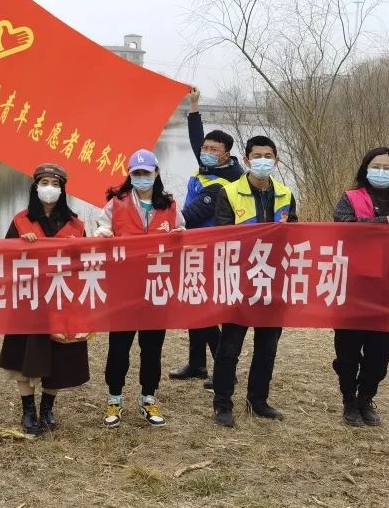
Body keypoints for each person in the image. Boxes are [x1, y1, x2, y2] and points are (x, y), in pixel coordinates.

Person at [211, 136, 298, 428]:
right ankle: (223, 404)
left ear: (276, 160)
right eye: (257, 156)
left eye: (268, 156)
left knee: (268, 346)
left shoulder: (286, 194)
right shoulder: (229, 192)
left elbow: (295, 235)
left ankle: (258, 400)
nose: (263, 160)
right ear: (247, 160)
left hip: (274, 281)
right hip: (241, 280)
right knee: (230, 347)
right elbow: (222, 236)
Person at [332, 148, 389, 426]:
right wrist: (382, 222)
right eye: (376, 166)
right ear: (365, 168)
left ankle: (366, 398)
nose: (381, 172)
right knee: (348, 353)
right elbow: (343, 230)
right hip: (353, 288)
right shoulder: (350, 199)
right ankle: (349, 400)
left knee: (379, 356)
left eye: (387, 167)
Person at [96, 149, 185, 429]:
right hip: (124, 288)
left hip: (157, 287)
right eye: (137, 173)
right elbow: (100, 229)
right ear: (130, 175)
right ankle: (115, 397)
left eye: (147, 173)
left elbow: (182, 233)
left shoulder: (169, 206)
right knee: (119, 346)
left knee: (152, 346)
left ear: (156, 173)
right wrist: (103, 234)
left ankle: (148, 397)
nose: (142, 177)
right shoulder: (117, 203)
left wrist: (178, 236)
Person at [0, 164, 89, 434]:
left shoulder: (76, 224)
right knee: (25, 356)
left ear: (62, 189)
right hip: (29, 298)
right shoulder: (21, 220)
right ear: (35, 186)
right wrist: (20, 246)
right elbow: (4, 257)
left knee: (58, 357)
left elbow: (85, 263)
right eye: (44, 182)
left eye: (55, 183)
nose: (49, 188)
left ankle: (48, 407)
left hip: (62, 298)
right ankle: (29, 409)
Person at [170, 87, 245, 389]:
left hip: (215, 251)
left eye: (214, 150)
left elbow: (190, 215)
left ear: (227, 154)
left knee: (204, 308)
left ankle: (222, 369)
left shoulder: (227, 181)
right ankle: (197, 364)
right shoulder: (209, 165)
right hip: (194, 247)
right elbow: (194, 138)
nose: (207, 152)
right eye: (206, 149)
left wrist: (163, 219)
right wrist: (194, 105)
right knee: (193, 302)